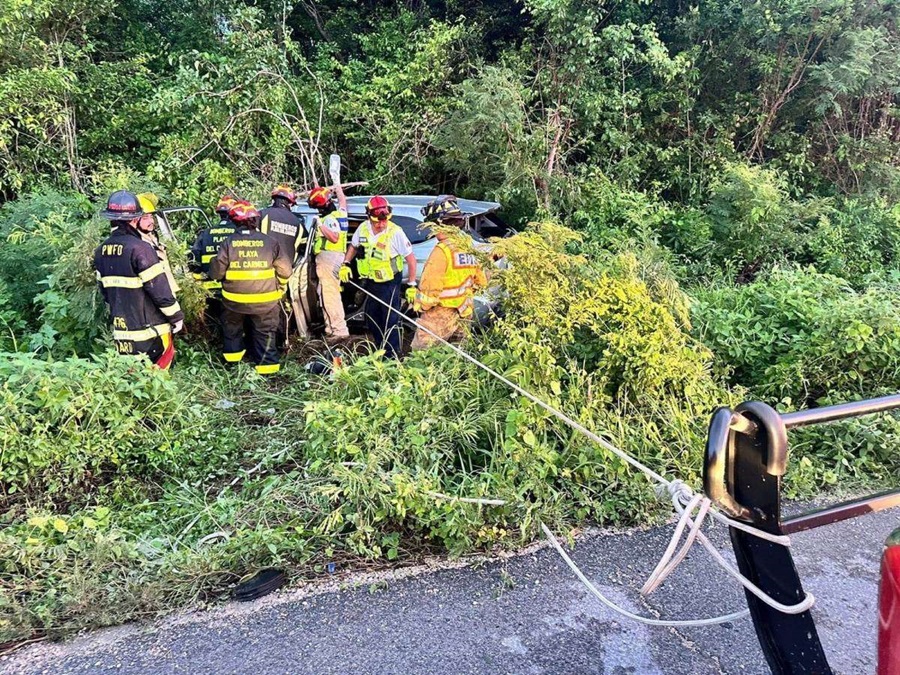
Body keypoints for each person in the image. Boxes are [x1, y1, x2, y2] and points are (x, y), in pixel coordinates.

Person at [94, 190, 184, 369]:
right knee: (157, 377)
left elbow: (104, 291)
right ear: (135, 220)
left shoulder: (100, 251)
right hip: (152, 331)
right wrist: (176, 316)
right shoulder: (141, 249)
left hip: (123, 332)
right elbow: (159, 290)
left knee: (132, 378)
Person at [208, 200, 292, 375]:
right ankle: (267, 370)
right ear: (255, 220)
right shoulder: (271, 242)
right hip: (266, 302)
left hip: (234, 302)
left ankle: (233, 365)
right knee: (265, 333)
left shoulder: (228, 243)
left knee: (232, 331)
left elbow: (216, 273)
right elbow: (286, 271)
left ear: (234, 222)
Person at [340, 195, 417, 359]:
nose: (382, 224)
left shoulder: (395, 232)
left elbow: (411, 260)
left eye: (385, 220)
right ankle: (381, 347)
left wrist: (411, 285)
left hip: (389, 283)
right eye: (378, 221)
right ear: (369, 217)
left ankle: (393, 355)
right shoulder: (363, 228)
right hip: (371, 281)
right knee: (372, 316)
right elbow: (353, 246)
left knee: (390, 318)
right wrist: (346, 263)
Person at [411, 196, 487, 351]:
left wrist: (420, 306)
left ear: (439, 224)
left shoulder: (442, 252)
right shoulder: (468, 247)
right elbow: (481, 281)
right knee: (455, 358)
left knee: (421, 356)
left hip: (439, 316)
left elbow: (430, 289)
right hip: (464, 312)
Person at [259, 184, 305, 349]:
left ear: (274, 199)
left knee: (259, 308)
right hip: (284, 273)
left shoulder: (263, 215)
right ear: (290, 203)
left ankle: (259, 346)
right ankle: (279, 345)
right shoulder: (298, 223)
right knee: (279, 308)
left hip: (261, 269)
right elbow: (302, 249)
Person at [189, 195, 238, 333]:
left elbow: (193, 260)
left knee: (215, 326)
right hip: (233, 289)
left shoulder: (206, 233)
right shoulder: (237, 233)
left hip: (210, 290)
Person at [308, 183, 350, 343]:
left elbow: (334, 237)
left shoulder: (328, 220)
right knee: (325, 293)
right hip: (336, 257)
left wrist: (319, 225)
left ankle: (339, 330)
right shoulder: (341, 213)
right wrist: (337, 184)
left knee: (329, 295)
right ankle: (330, 329)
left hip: (328, 259)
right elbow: (343, 201)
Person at [136, 192, 179, 295]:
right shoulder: (138, 244)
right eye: (145, 218)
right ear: (134, 220)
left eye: (151, 217)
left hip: (166, 293)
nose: (151, 221)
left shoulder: (152, 237)